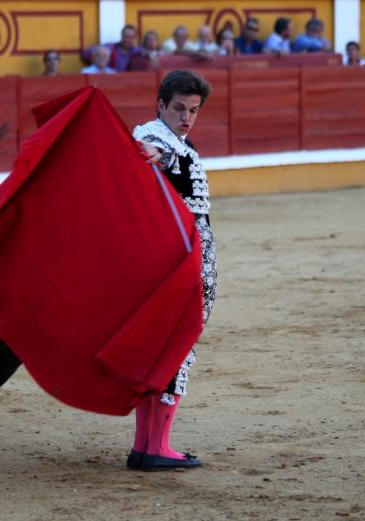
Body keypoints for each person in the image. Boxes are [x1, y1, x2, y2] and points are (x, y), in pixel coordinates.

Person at [130, 70, 216, 471]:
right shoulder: (158, 139)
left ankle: (145, 447)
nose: (186, 117)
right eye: (179, 108)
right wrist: (150, 153)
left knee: (162, 351)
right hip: (176, 264)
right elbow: (152, 151)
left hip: (176, 261)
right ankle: (158, 446)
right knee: (177, 348)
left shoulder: (180, 141)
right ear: (161, 105)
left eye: (194, 110)